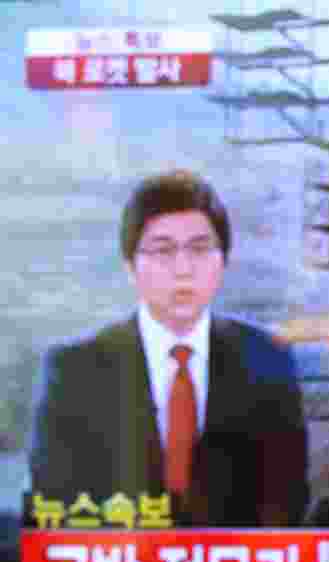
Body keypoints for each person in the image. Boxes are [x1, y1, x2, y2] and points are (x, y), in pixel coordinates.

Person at [28, 170, 309, 526]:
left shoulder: (268, 359)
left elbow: (287, 500)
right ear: (131, 266)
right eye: (163, 251)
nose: (183, 269)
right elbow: (56, 501)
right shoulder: (74, 370)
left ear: (222, 262)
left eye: (200, 249)